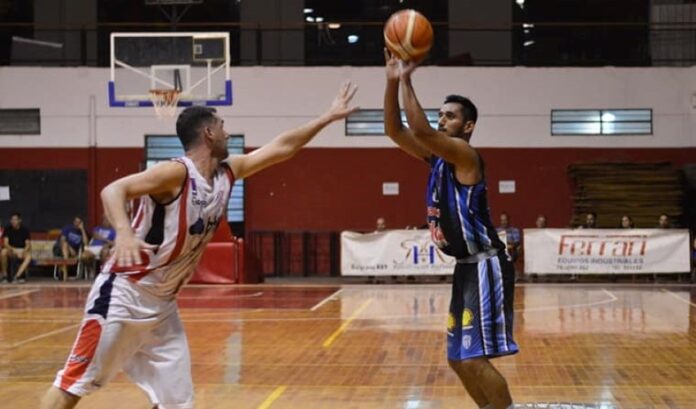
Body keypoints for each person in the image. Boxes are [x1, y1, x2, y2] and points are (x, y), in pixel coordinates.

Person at [40, 81, 358, 409]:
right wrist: (123, 232)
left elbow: (282, 148)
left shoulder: (227, 173)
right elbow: (113, 190)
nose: (227, 133)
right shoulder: (175, 173)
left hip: (163, 306)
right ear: (208, 133)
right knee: (73, 384)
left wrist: (327, 117)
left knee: (177, 403)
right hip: (124, 294)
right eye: (222, 126)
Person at [383, 50, 517, 409]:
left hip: (486, 264)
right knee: (457, 359)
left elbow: (419, 130)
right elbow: (394, 130)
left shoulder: (465, 155)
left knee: (473, 359)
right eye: (440, 115)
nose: (442, 120)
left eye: (450, 116)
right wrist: (392, 81)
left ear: (468, 127)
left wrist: (407, 78)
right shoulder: (438, 160)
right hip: (465, 268)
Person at [53, 216, 91, 280]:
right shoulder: (68, 228)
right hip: (59, 249)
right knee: (65, 245)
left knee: (86, 255)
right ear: (73, 222)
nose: (77, 223)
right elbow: (62, 240)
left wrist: (82, 230)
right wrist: (70, 248)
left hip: (73, 253)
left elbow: (86, 243)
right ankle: (65, 270)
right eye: (76, 222)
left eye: (79, 222)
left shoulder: (83, 232)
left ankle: (63, 269)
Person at [0, 212, 32, 283]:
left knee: (29, 257)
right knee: (3, 252)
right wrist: (14, 250)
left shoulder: (25, 230)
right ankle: (5, 276)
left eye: (15, 219)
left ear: (20, 220)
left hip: (21, 250)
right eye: (12, 220)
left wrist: (23, 252)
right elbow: (6, 243)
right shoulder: (7, 229)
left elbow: (28, 245)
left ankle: (17, 276)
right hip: (11, 250)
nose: (13, 221)